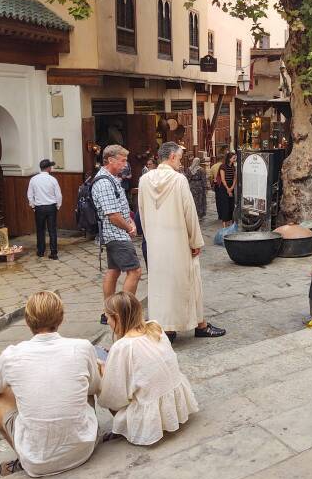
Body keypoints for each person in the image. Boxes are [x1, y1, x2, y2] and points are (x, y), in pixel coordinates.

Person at [0, 291, 101, 478]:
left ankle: (23, 456)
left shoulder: (12, 355)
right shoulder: (82, 347)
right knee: (86, 380)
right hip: (84, 450)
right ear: (60, 318)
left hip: (36, 463)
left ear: (28, 322)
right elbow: (95, 387)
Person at [139, 142, 225, 342]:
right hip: (178, 241)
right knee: (190, 281)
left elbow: (142, 212)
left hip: (156, 242)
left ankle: (166, 328)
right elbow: (189, 213)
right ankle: (199, 324)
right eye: (178, 158)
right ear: (170, 157)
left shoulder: (144, 180)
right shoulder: (178, 180)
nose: (179, 162)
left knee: (160, 286)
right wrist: (195, 241)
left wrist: (150, 236)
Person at [98, 292, 198, 445]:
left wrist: (104, 372)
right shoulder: (155, 327)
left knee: (102, 372)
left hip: (147, 412)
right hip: (172, 398)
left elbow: (114, 396)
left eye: (109, 318)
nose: (109, 323)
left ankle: (125, 425)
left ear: (117, 318)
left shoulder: (123, 346)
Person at [92, 145, 142, 325]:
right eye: (122, 160)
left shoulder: (111, 178)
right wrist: (128, 227)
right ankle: (124, 312)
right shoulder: (105, 182)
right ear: (110, 160)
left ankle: (109, 313)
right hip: (116, 234)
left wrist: (131, 220)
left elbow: (120, 207)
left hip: (115, 234)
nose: (125, 164)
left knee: (113, 271)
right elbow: (112, 215)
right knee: (135, 271)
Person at [27, 159, 63, 260]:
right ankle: (53, 253)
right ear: (48, 168)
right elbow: (59, 195)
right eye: (50, 167)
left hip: (39, 208)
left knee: (40, 230)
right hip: (51, 207)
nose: (51, 168)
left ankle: (41, 251)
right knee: (52, 230)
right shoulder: (53, 180)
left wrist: (33, 206)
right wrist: (58, 206)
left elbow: (30, 195)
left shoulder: (33, 179)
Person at [215, 151, 237, 226]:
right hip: (224, 188)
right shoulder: (223, 166)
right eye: (233, 158)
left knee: (231, 205)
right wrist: (228, 189)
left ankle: (230, 223)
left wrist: (232, 188)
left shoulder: (233, 167)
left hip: (231, 186)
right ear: (229, 158)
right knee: (225, 205)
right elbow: (223, 179)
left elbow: (235, 178)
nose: (235, 159)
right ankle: (224, 224)